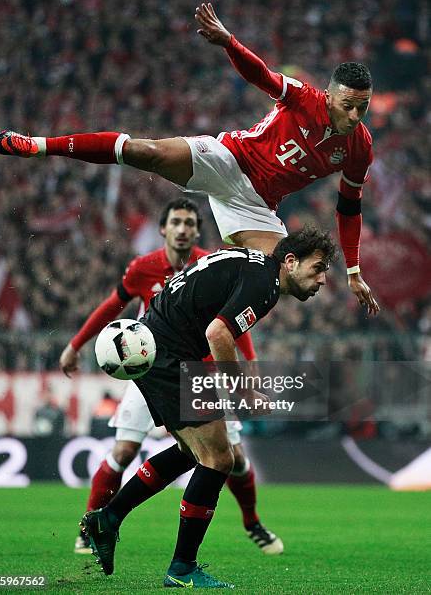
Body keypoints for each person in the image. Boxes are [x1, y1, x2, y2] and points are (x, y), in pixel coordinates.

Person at [0, 3, 379, 316]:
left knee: (282, 277)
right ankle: (39, 145)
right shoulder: (304, 97)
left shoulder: (360, 147)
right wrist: (230, 43)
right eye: (348, 106)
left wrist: (354, 270)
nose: (354, 117)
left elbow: (349, 209)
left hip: (258, 206)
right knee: (147, 152)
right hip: (229, 160)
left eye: (362, 108)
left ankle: (199, 324)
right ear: (330, 97)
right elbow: (260, 75)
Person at [79, 226, 337, 588]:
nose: (323, 279)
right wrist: (242, 389)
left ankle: (108, 518)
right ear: (291, 261)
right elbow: (218, 333)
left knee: (192, 453)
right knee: (220, 459)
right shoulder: (265, 286)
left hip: (158, 346)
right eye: (318, 268)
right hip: (169, 355)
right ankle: (181, 568)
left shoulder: (254, 266)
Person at [60, 197, 283, 557]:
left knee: (227, 457)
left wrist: (250, 361)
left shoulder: (209, 262)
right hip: (148, 363)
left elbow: (232, 321)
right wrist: (76, 344)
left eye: (189, 224)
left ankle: (252, 523)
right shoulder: (143, 267)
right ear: (163, 229)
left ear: (197, 230)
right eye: (176, 222)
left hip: (199, 366)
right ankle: (93, 528)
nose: (182, 229)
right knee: (128, 449)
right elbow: (112, 306)